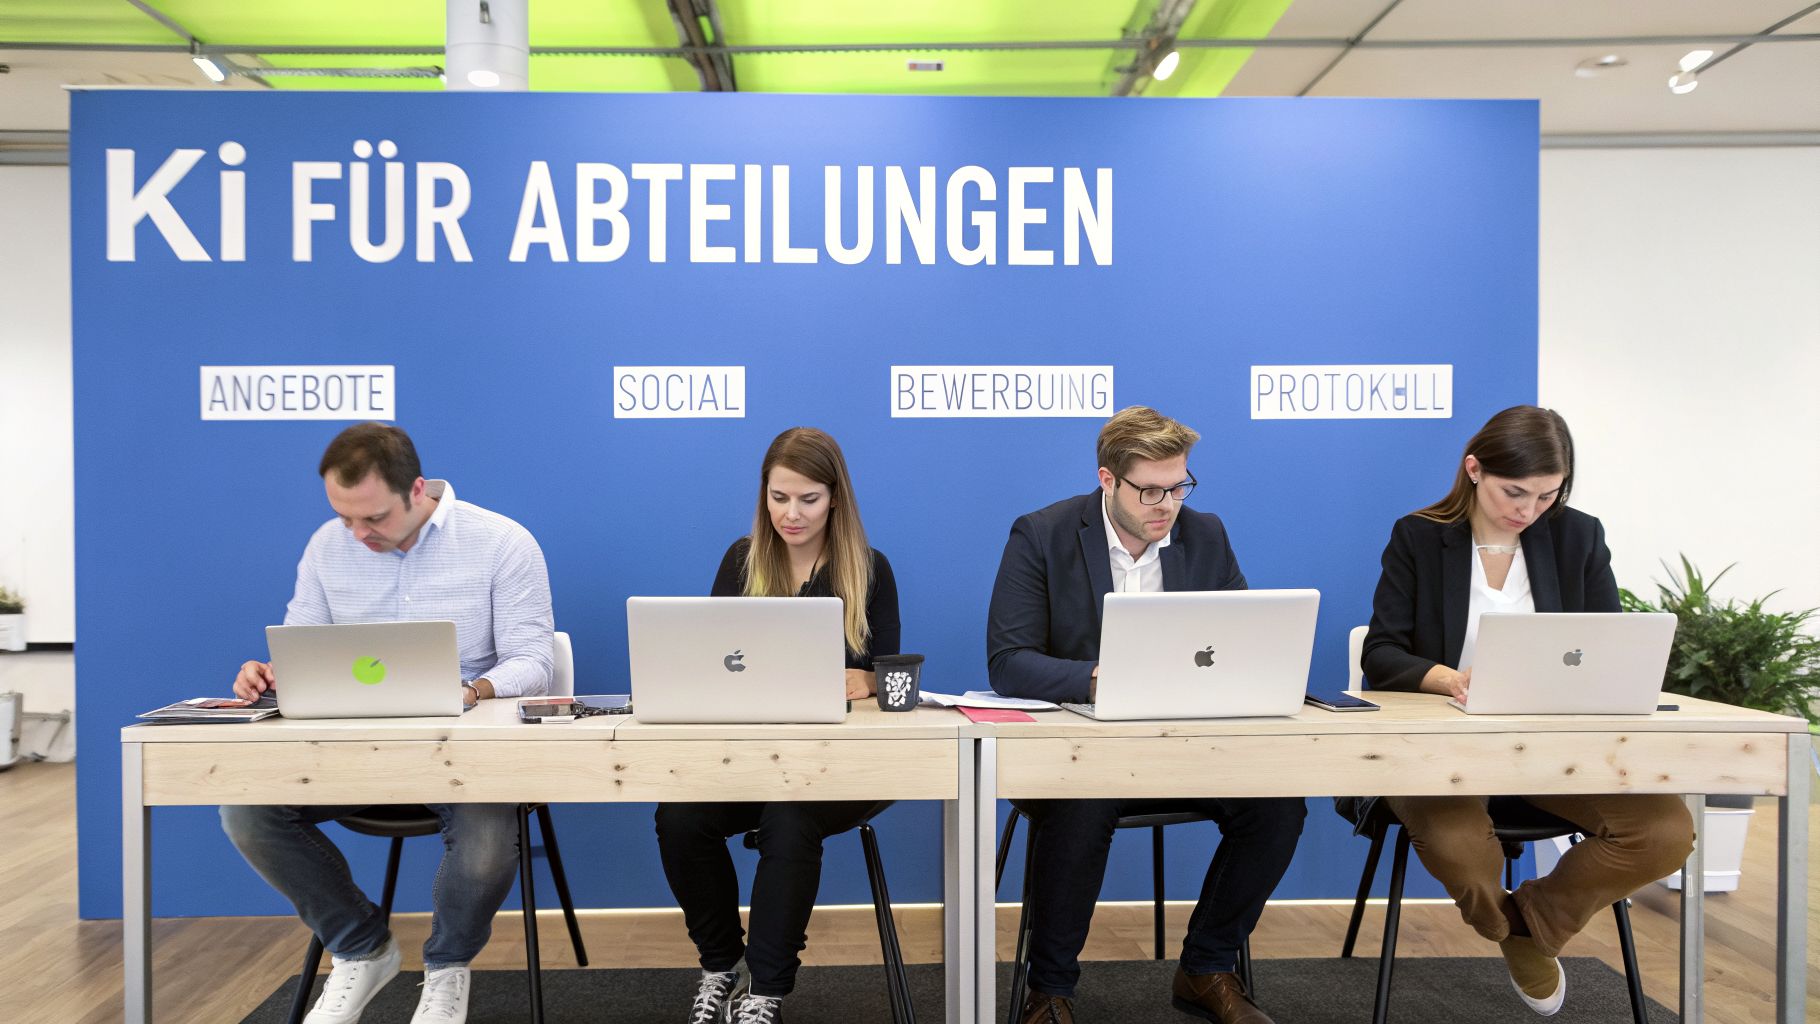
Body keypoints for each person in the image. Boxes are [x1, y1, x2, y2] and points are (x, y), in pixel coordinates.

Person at [1349, 405, 1694, 1016]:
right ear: (1475, 469)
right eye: (1515, 492)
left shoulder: (1577, 535)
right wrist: (1450, 678)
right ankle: (1516, 932)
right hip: (1444, 754)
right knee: (1461, 853)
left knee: (1665, 832)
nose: (1528, 511)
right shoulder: (1420, 536)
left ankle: (1530, 927)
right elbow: (1381, 653)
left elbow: (1607, 645)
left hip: (1556, 751)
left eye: (1546, 495)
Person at [220, 423, 554, 1024]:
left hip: (463, 753)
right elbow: (300, 643)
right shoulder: (328, 545)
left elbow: (533, 659)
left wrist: (472, 690)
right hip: (353, 752)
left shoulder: (501, 542)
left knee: (485, 848)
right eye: (344, 518)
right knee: (246, 811)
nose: (357, 534)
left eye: (371, 518)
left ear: (417, 490)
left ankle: (448, 968)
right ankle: (360, 948)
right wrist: (271, 673)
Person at [987, 406, 1305, 1024]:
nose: (1167, 503)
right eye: (1151, 490)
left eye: (1179, 486)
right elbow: (1009, 661)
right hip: (1088, 751)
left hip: (1188, 747)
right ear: (1108, 481)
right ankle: (1049, 992)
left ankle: (1207, 968)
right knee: (1080, 808)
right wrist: (1102, 677)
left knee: (1279, 807)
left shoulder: (1205, 534)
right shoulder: (1043, 534)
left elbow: (1239, 639)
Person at [655, 427, 901, 1024]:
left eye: (808, 499)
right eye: (779, 497)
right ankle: (720, 965)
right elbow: (711, 662)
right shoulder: (742, 560)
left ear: (836, 497)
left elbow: (890, 670)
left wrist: (868, 680)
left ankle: (765, 992)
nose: (791, 514)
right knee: (679, 816)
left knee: (789, 818)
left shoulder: (869, 568)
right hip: (751, 761)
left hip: (837, 770)